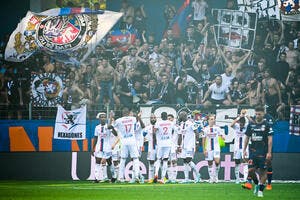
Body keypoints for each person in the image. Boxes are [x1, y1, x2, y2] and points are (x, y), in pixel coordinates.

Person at [242, 106, 273, 198]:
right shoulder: (251, 125)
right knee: (250, 171)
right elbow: (247, 138)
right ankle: (256, 184)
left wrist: (269, 152)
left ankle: (260, 191)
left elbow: (270, 139)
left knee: (263, 172)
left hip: (263, 152)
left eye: (259, 114)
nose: (257, 115)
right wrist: (244, 150)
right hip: (252, 151)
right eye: (256, 114)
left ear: (263, 114)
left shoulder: (267, 125)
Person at [110, 108, 145, 183]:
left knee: (123, 159)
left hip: (124, 141)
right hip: (132, 141)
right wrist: (138, 115)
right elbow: (138, 120)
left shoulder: (119, 120)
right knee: (135, 158)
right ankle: (136, 176)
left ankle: (120, 178)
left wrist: (111, 118)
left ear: (122, 113)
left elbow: (110, 126)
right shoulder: (132, 119)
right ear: (129, 113)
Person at [92, 112, 118, 183]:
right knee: (97, 162)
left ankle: (114, 177)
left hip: (107, 147)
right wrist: (92, 148)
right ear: (99, 119)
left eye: (104, 117)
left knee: (109, 162)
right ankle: (96, 178)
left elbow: (116, 134)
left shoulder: (109, 126)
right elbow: (95, 138)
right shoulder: (97, 127)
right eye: (102, 117)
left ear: (106, 118)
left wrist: (112, 128)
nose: (103, 118)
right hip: (98, 147)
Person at [177, 111, 201, 183]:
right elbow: (180, 135)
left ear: (184, 116)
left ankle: (198, 174)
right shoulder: (181, 125)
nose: (179, 117)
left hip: (190, 145)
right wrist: (179, 145)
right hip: (184, 145)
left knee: (188, 160)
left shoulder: (191, 123)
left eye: (180, 116)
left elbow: (197, 132)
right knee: (184, 161)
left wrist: (197, 142)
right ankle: (186, 179)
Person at [201, 114, 225, 183]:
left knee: (217, 162)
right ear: (208, 120)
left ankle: (216, 177)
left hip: (216, 147)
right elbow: (203, 140)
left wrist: (223, 137)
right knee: (210, 163)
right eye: (211, 119)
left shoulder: (217, 128)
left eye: (213, 119)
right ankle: (211, 178)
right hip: (208, 148)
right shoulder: (205, 129)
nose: (213, 120)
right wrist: (204, 149)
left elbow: (221, 135)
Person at [154, 112, 176, 183]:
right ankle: (163, 178)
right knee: (165, 160)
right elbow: (173, 130)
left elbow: (154, 131)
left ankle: (156, 174)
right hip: (168, 143)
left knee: (158, 159)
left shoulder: (158, 123)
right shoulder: (170, 123)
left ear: (161, 117)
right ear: (166, 116)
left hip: (160, 143)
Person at [230, 109, 250, 184]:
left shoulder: (247, 126)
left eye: (243, 123)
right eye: (240, 123)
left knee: (245, 161)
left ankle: (245, 178)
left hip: (245, 147)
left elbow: (252, 122)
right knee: (237, 162)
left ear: (244, 122)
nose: (241, 124)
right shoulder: (236, 126)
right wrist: (239, 117)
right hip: (237, 147)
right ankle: (237, 179)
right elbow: (231, 125)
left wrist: (246, 115)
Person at [143, 113, 158, 183]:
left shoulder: (159, 126)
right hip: (151, 147)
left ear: (156, 119)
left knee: (160, 161)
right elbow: (142, 135)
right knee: (151, 162)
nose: (153, 119)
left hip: (158, 146)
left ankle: (158, 177)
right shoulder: (147, 128)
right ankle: (150, 178)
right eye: (152, 118)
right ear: (150, 119)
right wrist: (146, 140)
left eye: (154, 118)